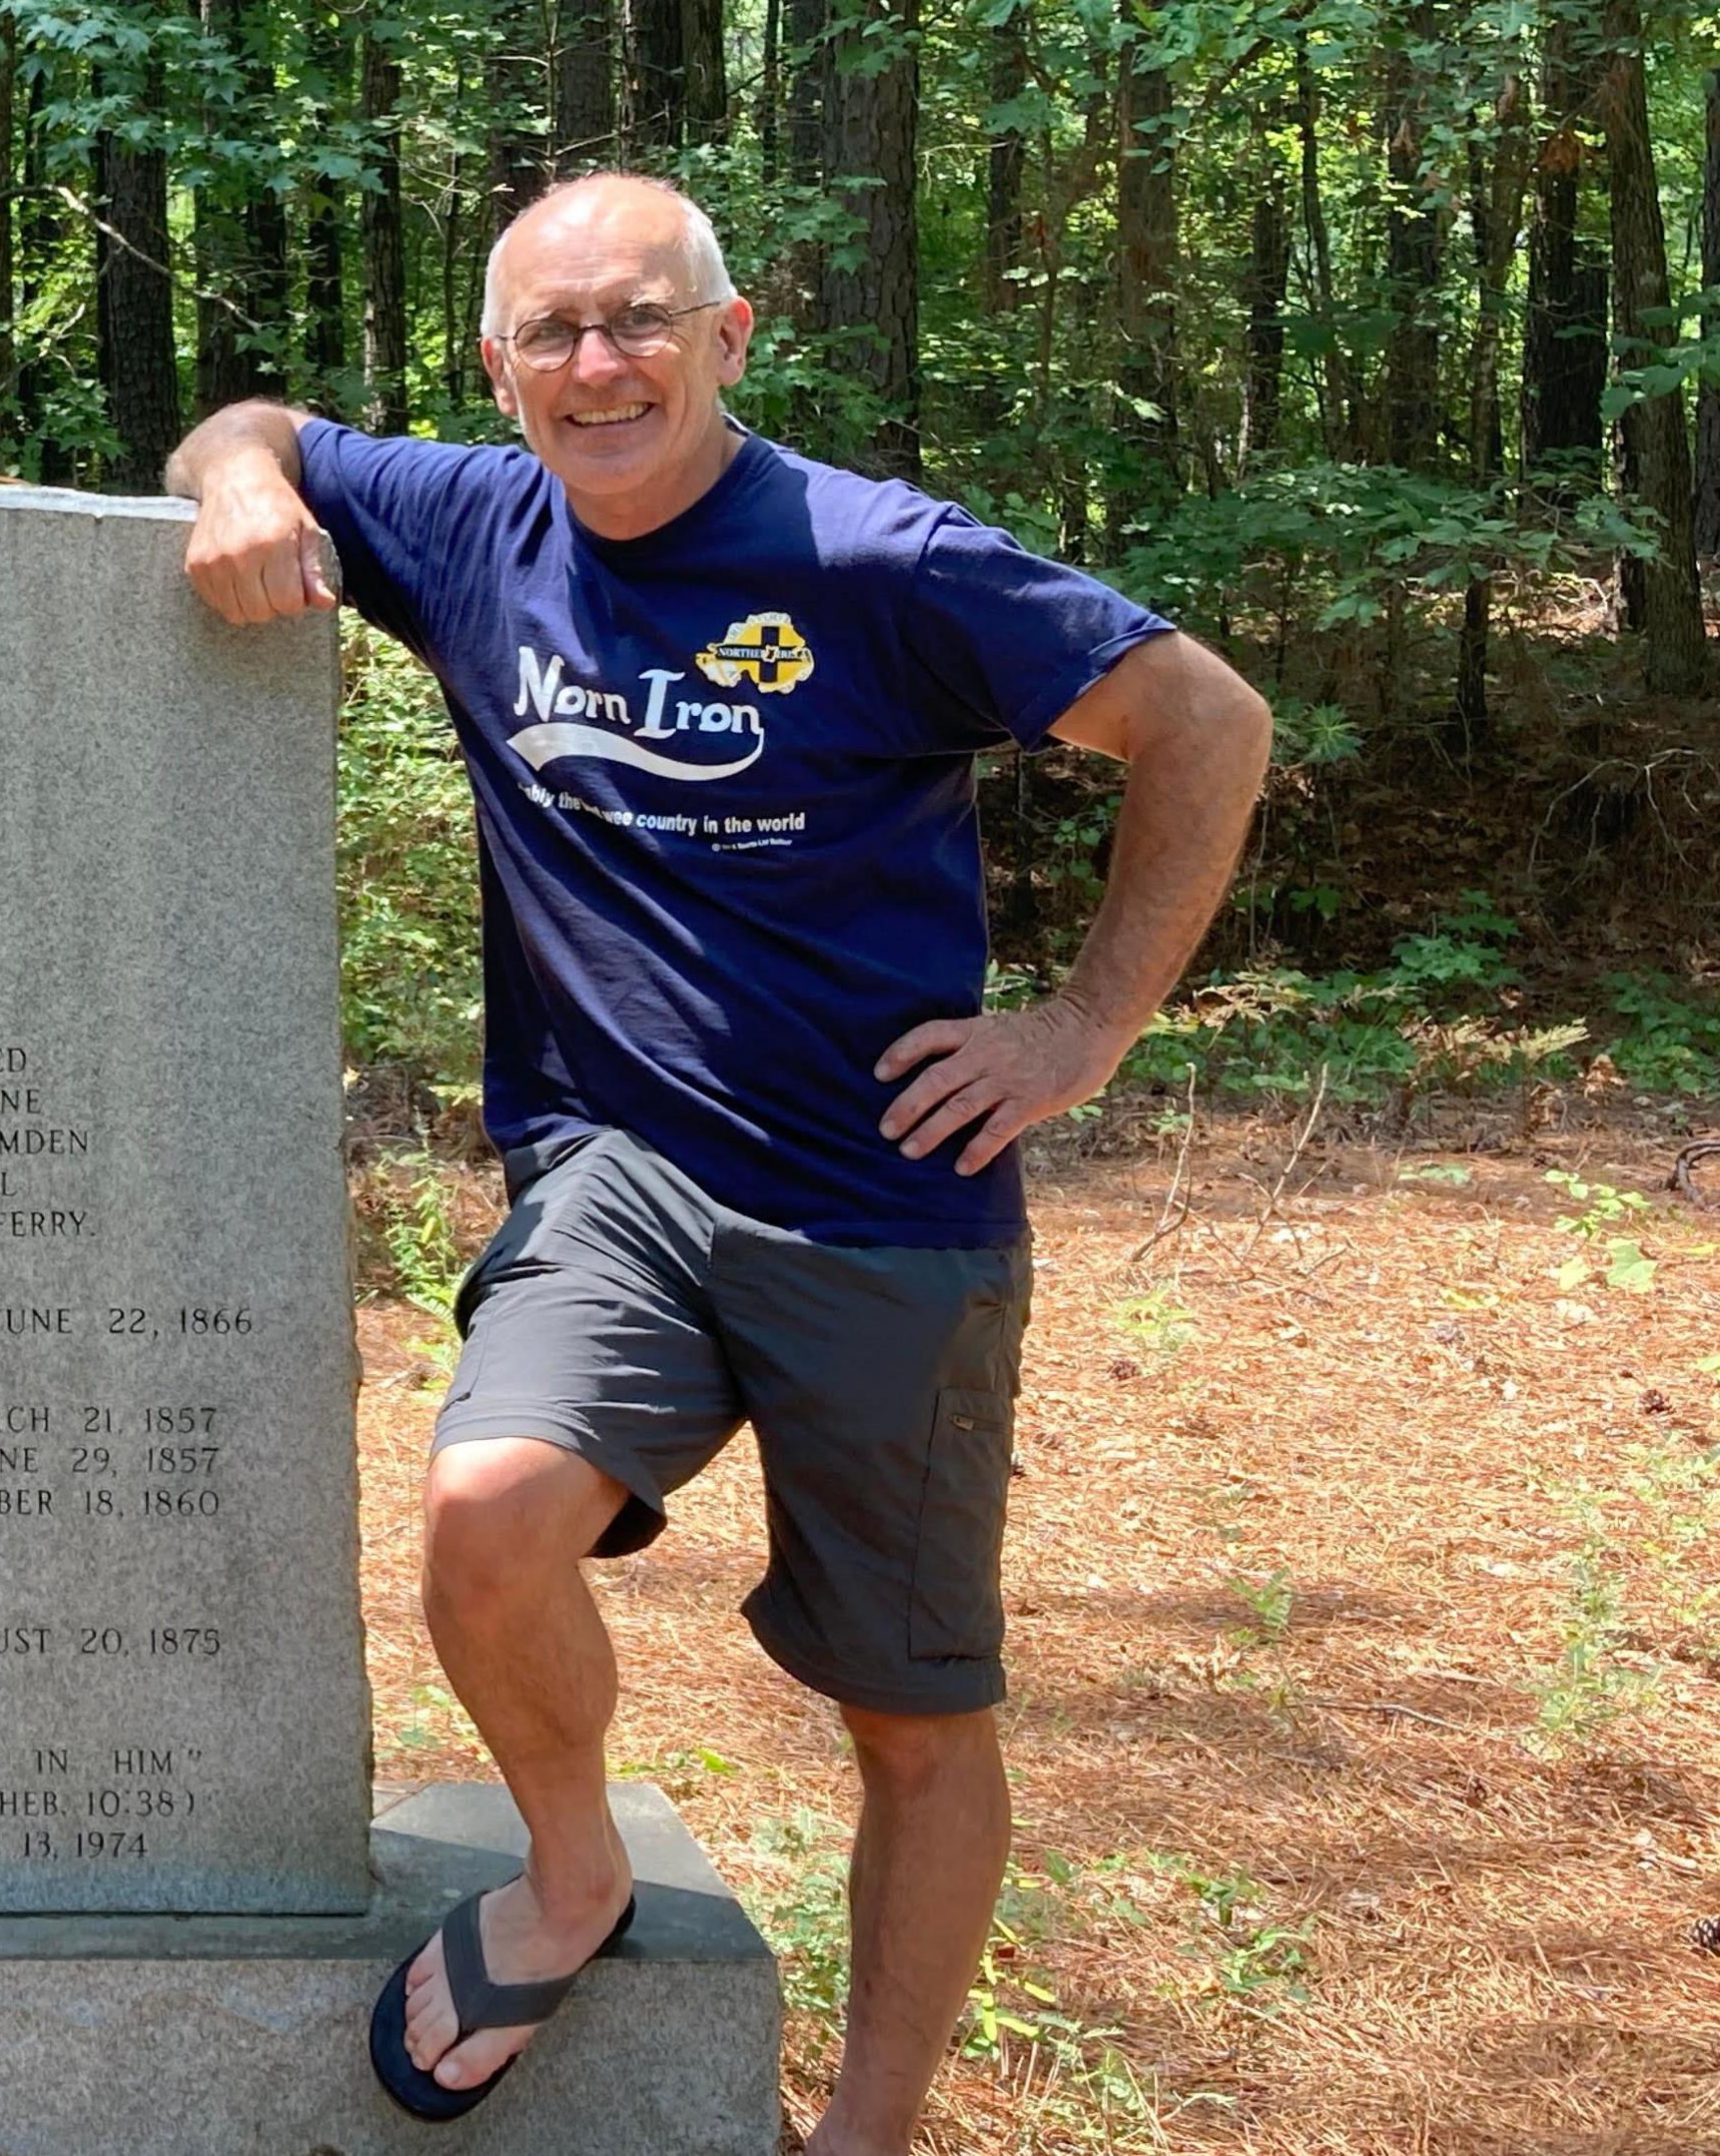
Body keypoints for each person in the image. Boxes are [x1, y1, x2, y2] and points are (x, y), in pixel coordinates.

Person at [166, 173, 1271, 2152]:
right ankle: (571, 1871)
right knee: (485, 1517)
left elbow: (1208, 718)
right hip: (620, 1175)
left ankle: (861, 2132)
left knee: (916, 1722)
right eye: (557, 332)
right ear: (498, 366)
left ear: (730, 336)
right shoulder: (470, 522)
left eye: (644, 321)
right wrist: (243, 483)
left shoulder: (878, 558)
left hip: (890, 1204)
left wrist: (1080, 1029)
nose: (603, 364)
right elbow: (250, 428)